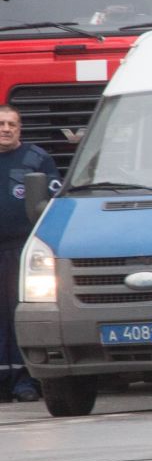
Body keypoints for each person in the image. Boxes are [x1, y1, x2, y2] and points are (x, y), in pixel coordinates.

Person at [1, 105, 60, 403]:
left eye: (13, 124)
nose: (7, 129)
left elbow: (52, 204)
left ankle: (25, 381)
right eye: (1, 123)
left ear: (20, 129)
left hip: (22, 251)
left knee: (19, 316)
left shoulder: (36, 159)